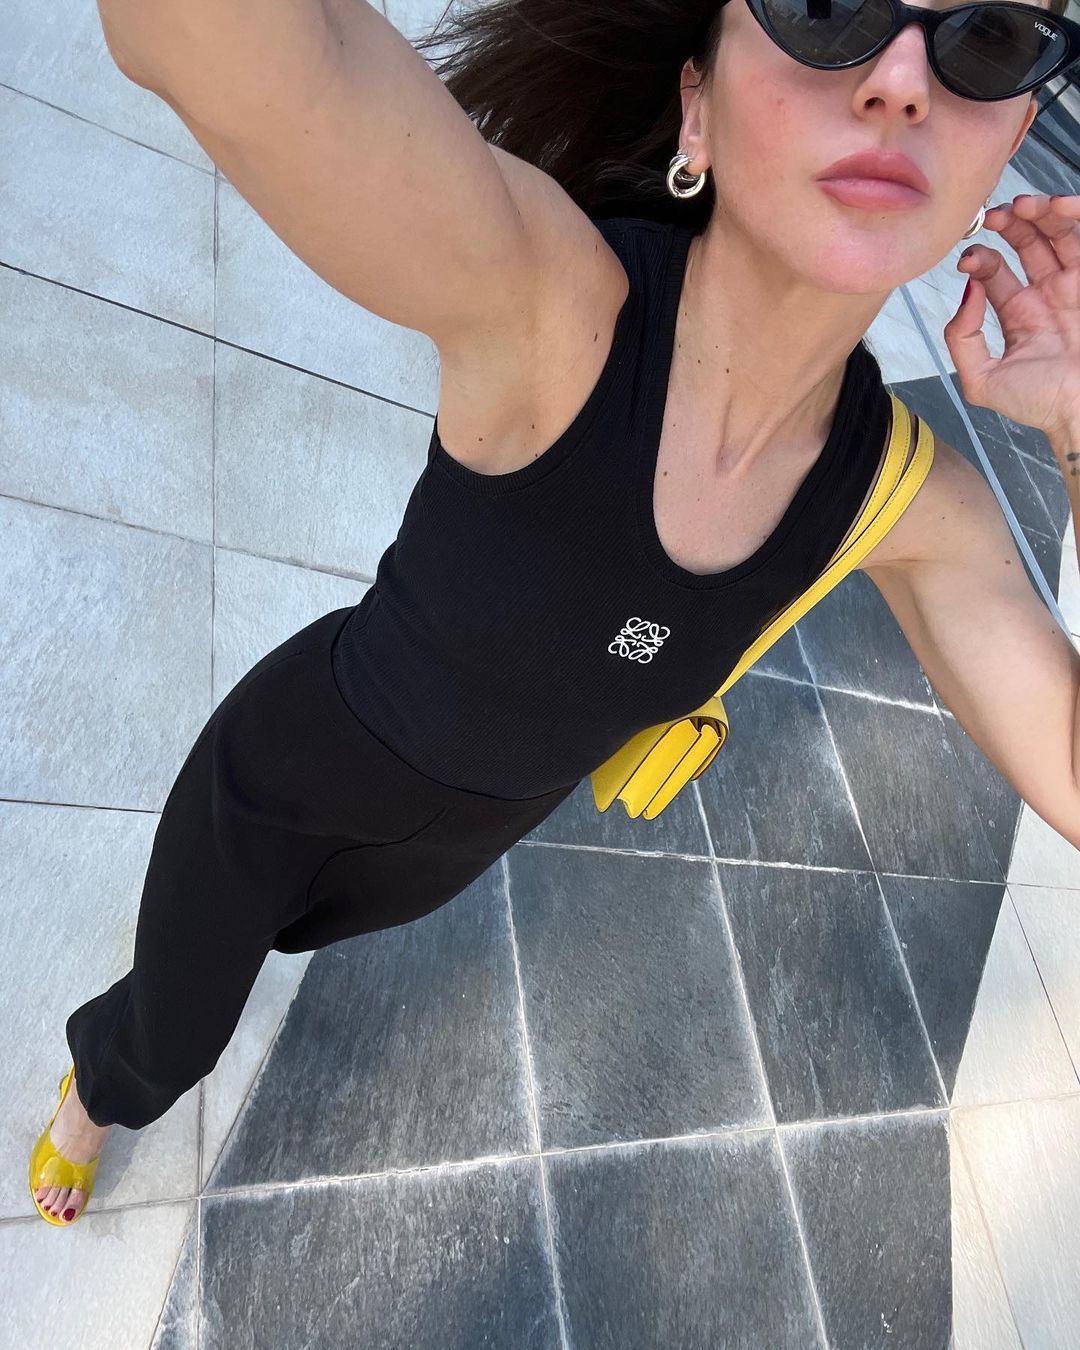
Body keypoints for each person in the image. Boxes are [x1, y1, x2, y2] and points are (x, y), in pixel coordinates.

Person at [31, 0, 1080, 1226]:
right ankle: (96, 1093)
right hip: (284, 777)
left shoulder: (905, 498)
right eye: (822, 7)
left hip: (448, 855)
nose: (901, 79)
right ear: (697, 106)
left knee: (263, 951)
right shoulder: (553, 302)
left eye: (987, 39)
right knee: (177, 1024)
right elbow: (204, 37)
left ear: (1006, 145)